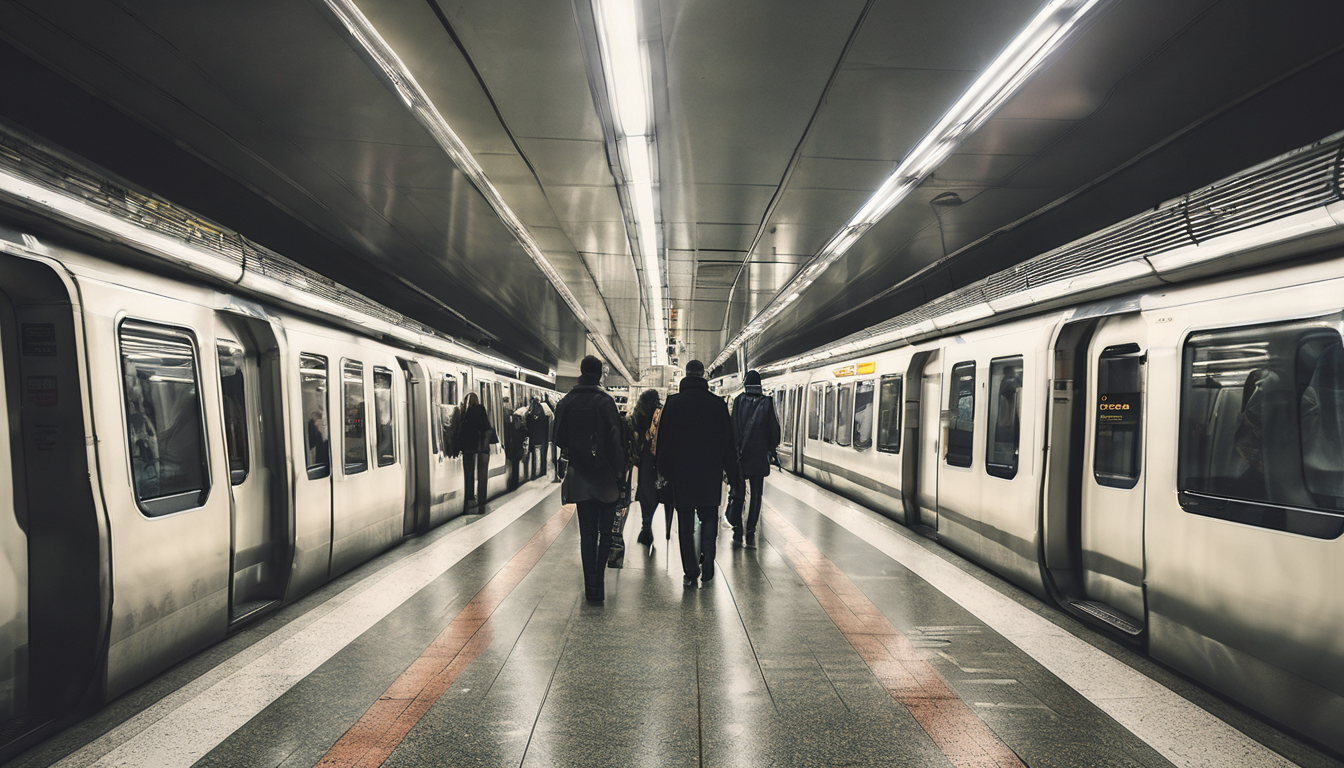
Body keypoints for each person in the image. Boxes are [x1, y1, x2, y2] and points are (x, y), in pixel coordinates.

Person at [656, 360, 741, 586]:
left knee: (685, 521)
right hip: (709, 473)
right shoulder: (718, 404)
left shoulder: (673, 403)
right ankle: (709, 563)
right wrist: (733, 477)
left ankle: (691, 571)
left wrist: (664, 472)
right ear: (703, 375)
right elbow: (727, 444)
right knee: (709, 518)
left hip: (682, 473)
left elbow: (663, 442)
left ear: (686, 374)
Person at [552, 355, 628, 603]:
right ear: (600, 375)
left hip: (581, 476)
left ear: (581, 372)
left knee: (587, 532)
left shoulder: (567, 401)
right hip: (605, 476)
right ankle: (599, 583)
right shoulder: (606, 402)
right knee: (605, 532)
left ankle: (590, 587)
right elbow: (617, 442)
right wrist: (620, 473)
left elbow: (558, 439)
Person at [731, 370, 781, 547]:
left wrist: (735, 450)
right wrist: (771, 450)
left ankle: (737, 531)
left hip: (740, 457)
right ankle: (750, 532)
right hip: (759, 457)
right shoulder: (767, 402)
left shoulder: (738, 401)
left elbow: (733, 428)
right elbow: (774, 431)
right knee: (756, 495)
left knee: (738, 493)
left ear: (745, 384)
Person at [628, 389, 668, 546]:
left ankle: (646, 525)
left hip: (643, 457)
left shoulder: (637, 414)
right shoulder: (661, 413)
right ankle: (649, 521)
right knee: (657, 489)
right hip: (658, 456)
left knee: (645, 490)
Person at [458, 391, 492, 513]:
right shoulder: (481, 410)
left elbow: (463, 431)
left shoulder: (466, 413)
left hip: (469, 448)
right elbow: (487, 427)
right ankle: (482, 500)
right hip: (482, 448)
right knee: (482, 476)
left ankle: (470, 499)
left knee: (469, 474)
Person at [526, 396, 553, 480]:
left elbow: (529, 426)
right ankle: (542, 472)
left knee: (534, 457)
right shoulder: (545, 418)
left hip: (534, 439)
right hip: (542, 439)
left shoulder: (530, 417)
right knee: (542, 456)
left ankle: (534, 474)